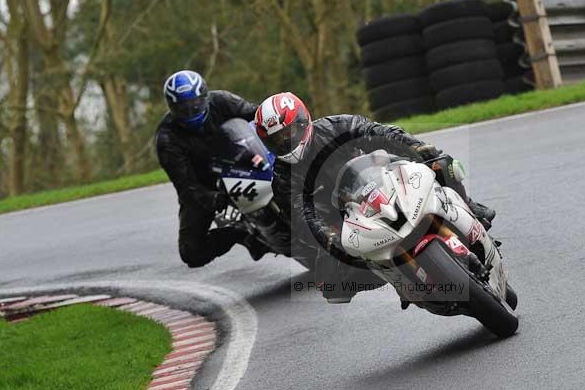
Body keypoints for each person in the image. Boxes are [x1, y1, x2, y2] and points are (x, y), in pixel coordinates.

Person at [254, 91, 495, 301]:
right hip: (342, 220)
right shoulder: (283, 177)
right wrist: (329, 240)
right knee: (330, 284)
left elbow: (379, 132)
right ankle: (400, 280)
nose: (285, 142)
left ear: (302, 120)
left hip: (380, 179)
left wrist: (417, 148)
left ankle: (471, 210)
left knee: (443, 166)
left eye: (288, 133)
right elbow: (301, 217)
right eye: (276, 140)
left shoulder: (337, 126)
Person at [155, 69, 269, 267]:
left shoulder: (223, 101)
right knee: (192, 252)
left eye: (196, 103)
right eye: (183, 108)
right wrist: (217, 199)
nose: (191, 111)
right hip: (207, 185)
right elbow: (187, 187)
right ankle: (239, 233)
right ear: (172, 108)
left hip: (244, 160)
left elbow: (260, 117)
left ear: (205, 97)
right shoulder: (167, 139)